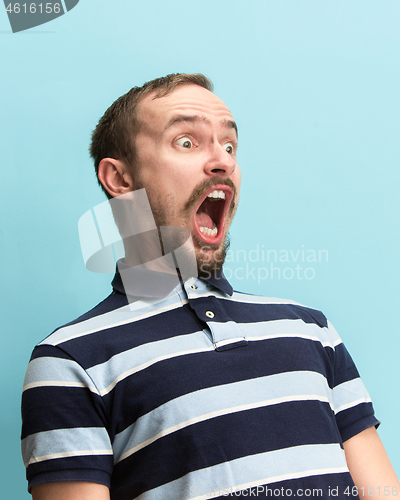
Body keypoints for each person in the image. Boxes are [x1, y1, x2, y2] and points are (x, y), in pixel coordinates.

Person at [21, 74, 399, 500]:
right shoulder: (70, 362)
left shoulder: (311, 330)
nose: (223, 161)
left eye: (230, 145)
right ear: (120, 180)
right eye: (187, 142)